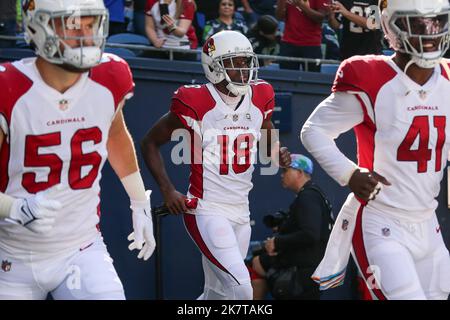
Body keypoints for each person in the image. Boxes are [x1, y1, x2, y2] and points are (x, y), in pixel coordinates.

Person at [0, 0, 155, 300]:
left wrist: (139, 200)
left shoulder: (111, 76)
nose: (84, 34)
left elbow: (115, 134)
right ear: (37, 26)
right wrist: (14, 209)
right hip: (11, 253)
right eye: (71, 25)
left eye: (90, 23)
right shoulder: (9, 87)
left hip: (80, 248)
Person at [301, 0, 450, 300]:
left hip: (428, 220)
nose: (430, 32)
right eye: (418, 24)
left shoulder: (447, 77)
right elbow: (313, 131)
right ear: (392, 27)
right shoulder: (371, 76)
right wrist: (350, 174)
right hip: (383, 219)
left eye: (436, 22)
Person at [141, 30, 291, 300]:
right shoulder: (195, 101)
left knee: (218, 295)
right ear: (214, 65)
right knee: (242, 289)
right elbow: (150, 142)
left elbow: (266, 132)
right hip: (206, 209)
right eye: (236, 62)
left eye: (247, 61)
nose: (244, 69)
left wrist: (276, 151)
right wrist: (167, 190)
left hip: (241, 211)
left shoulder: (261, 95)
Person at [250, 154, 332, 300]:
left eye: (285, 171)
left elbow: (310, 234)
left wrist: (277, 242)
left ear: (300, 173)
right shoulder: (312, 195)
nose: (282, 176)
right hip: (309, 270)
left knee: (254, 263)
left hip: (304, 273)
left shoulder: (308, 196)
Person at [276, 0, 329, 72]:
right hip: (288, 42)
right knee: (287, 78)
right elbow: (279, 17)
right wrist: (282, 2)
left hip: (311, 44)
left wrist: (301, 5)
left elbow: (320, 18)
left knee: (312, 79)